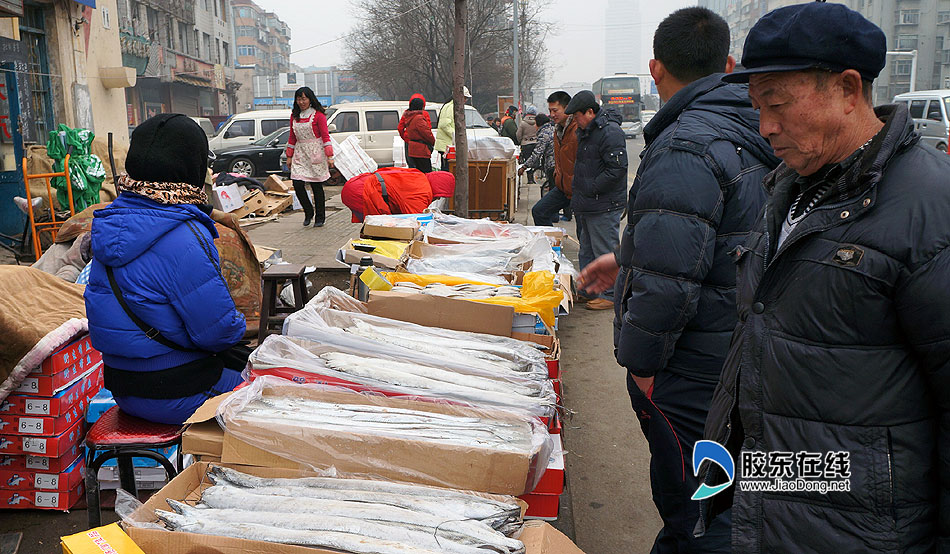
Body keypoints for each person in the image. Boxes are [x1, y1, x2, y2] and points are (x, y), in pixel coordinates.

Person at [690, 3, 950, 551]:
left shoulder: (930, 209)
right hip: (778, 497)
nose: (765, 128)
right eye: (757, 106)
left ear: (848, 88)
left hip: (867, 529)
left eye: (778, 104)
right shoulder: (790, 187)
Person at [577, 7, 779, 552]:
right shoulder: (758, 127)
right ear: (729, 64)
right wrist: (627, 260)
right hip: (742, 360)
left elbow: (668, 290)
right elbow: (727, 234)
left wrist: (644, 369)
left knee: (696, 515)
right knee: (731, 499)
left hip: (691, 373)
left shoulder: (684, 143)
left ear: (654, 69)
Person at [84, 114, 247, 425]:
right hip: (176, 391)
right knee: (271, 389)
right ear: (191, 165)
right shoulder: (183, 233)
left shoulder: (109, 222)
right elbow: (219, 332)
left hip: (123, 387)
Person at [564, 90, 626, 310]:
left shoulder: (610, 132)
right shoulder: (587, 131)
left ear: (590, 112)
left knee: (605, 250)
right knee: (586, 250)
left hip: (603, 204)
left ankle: (609, 295)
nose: (574, 121)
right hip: (587, 203)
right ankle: (589, 290)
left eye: (576, 116)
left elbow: (617, 170)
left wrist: (590, 188)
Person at [287, 86, 333, 227]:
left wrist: (330, 156)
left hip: (315, 152)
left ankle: (320, 217)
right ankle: (308, 211)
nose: (301, 102)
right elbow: (292, 137)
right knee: (298, 183)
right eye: (299, 99)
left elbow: (325, 136)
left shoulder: (318, 115)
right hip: (300, 153)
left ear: (310, 99)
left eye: (304, 98)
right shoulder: (294, 117)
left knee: (316, 186)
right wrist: (289, 156)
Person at [521, 113, 556, 225]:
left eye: (535, 124)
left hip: (552, 166)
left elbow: (537, 153)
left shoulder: (543, 134)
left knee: (553, 191)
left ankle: (553, 216)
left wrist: (525, 166)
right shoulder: (553, 129)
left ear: (539, 124)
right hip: (559, 165)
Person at [434, 86, 472, 169]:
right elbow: (444, 125)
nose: (465, 100)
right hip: (446, 146)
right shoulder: (451, 107)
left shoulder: (452, 106)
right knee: (448, 169)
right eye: (465, 98)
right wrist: (457, 136)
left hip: (447, 145)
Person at [398, 96, 435, 173]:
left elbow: (400, 128)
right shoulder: (419, 118)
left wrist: (406, 139)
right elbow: (427, 132)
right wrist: (432, 142)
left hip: (412, 147)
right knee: (426, 172)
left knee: (415, 171)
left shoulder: (407, 116)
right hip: (421, 149)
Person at [517, 106, 539, 183]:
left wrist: (521, 141)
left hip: (525, 144)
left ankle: (529, 178)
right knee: (534, 160)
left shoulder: (523, 123)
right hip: (535, 143)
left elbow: (518, 134)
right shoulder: (537, 122)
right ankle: (533, 176)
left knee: (527, 160)